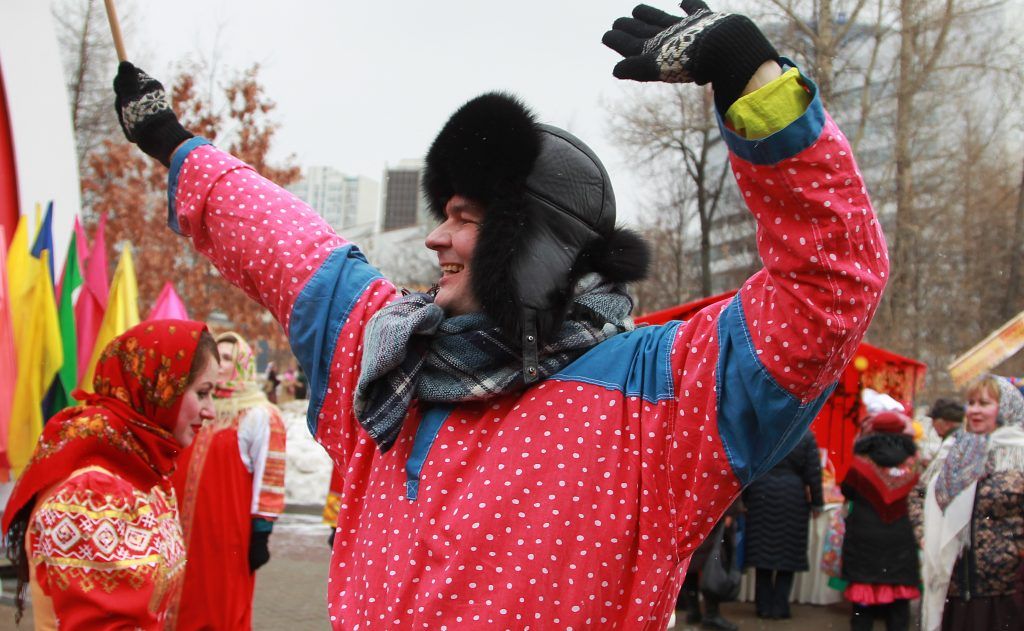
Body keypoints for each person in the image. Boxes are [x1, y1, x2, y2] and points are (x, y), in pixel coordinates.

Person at [111, 1, 889, 625]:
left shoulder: (664, 397)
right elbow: (291, 248)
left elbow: (830, 284)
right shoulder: (390, 353)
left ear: (533, 239)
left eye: (462, 215)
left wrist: (754, 80)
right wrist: (177, 145)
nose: (436, 237)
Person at [1, 320, 219, 630]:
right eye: (203, 392)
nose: (211, 410)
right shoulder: (94, 490)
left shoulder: (141, 466)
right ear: (158, 389)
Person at [166, 331, 287, 630]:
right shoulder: (193, 405)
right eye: (216, 358)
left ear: (244, 363)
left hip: (224, 536)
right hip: (178, 527)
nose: (220, 366)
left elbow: (269, 474)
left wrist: (261, 532)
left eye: (229, 359)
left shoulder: (258, 413)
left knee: (218, 607)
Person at [916, 375, 1024, 631]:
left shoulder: (1019, 452)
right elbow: (919, 495)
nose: (974, 409)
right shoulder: (955, 451)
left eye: (984, 403)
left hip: (1005, 591)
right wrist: (925, 533)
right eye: (971, 402)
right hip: (953, 585)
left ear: (1006, 407)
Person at [839, 411, 920, 631]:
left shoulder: (859, 466)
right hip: (900, 539)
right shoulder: (915, 467)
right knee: (898, 605)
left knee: (863, 606)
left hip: (864, 540)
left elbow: (846, 490)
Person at [742, 428, 824, 619]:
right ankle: (780, 606)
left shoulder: (764, 429)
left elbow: (747, 466)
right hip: (793, 497)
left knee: (762, 556)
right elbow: (814, 472)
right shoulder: (805, 433)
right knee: (788, 556)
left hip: (761, 494)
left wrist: (745, 499)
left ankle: (762, 606)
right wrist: (817, 503)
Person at [677, 500, 743, 630]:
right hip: (712, 519)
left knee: (691, 565)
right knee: (712, 566)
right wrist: (730, 513)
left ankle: (694, 611)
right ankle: (711, 614)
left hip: (691, 515)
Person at [918, 397, 964, 464]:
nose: (932, 425)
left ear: (947, 424)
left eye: (934, 420)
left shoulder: (951, 443)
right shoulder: (964, 437)